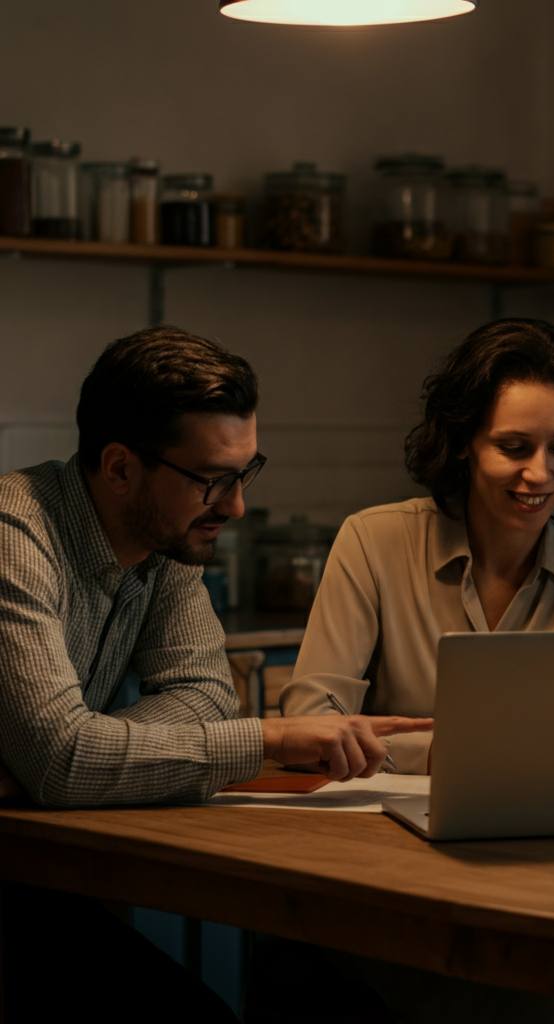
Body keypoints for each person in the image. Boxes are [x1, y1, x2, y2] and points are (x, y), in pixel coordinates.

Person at [0, 325, 432, 1021]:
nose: (233, 506)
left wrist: (62, 753)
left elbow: (203, 699)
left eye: (244, 472)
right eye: (212, 480)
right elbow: (66, 760)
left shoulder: (163, 543)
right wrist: (267, 741)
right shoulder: (12, 537)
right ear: (118, 469)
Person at [278, 317, 554, 1023]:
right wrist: (469, 753)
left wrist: (425, 748)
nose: (540, 475)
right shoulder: (374, 541)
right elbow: (313, 730)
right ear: (461, 445)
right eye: (513, 447)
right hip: (397, 884)